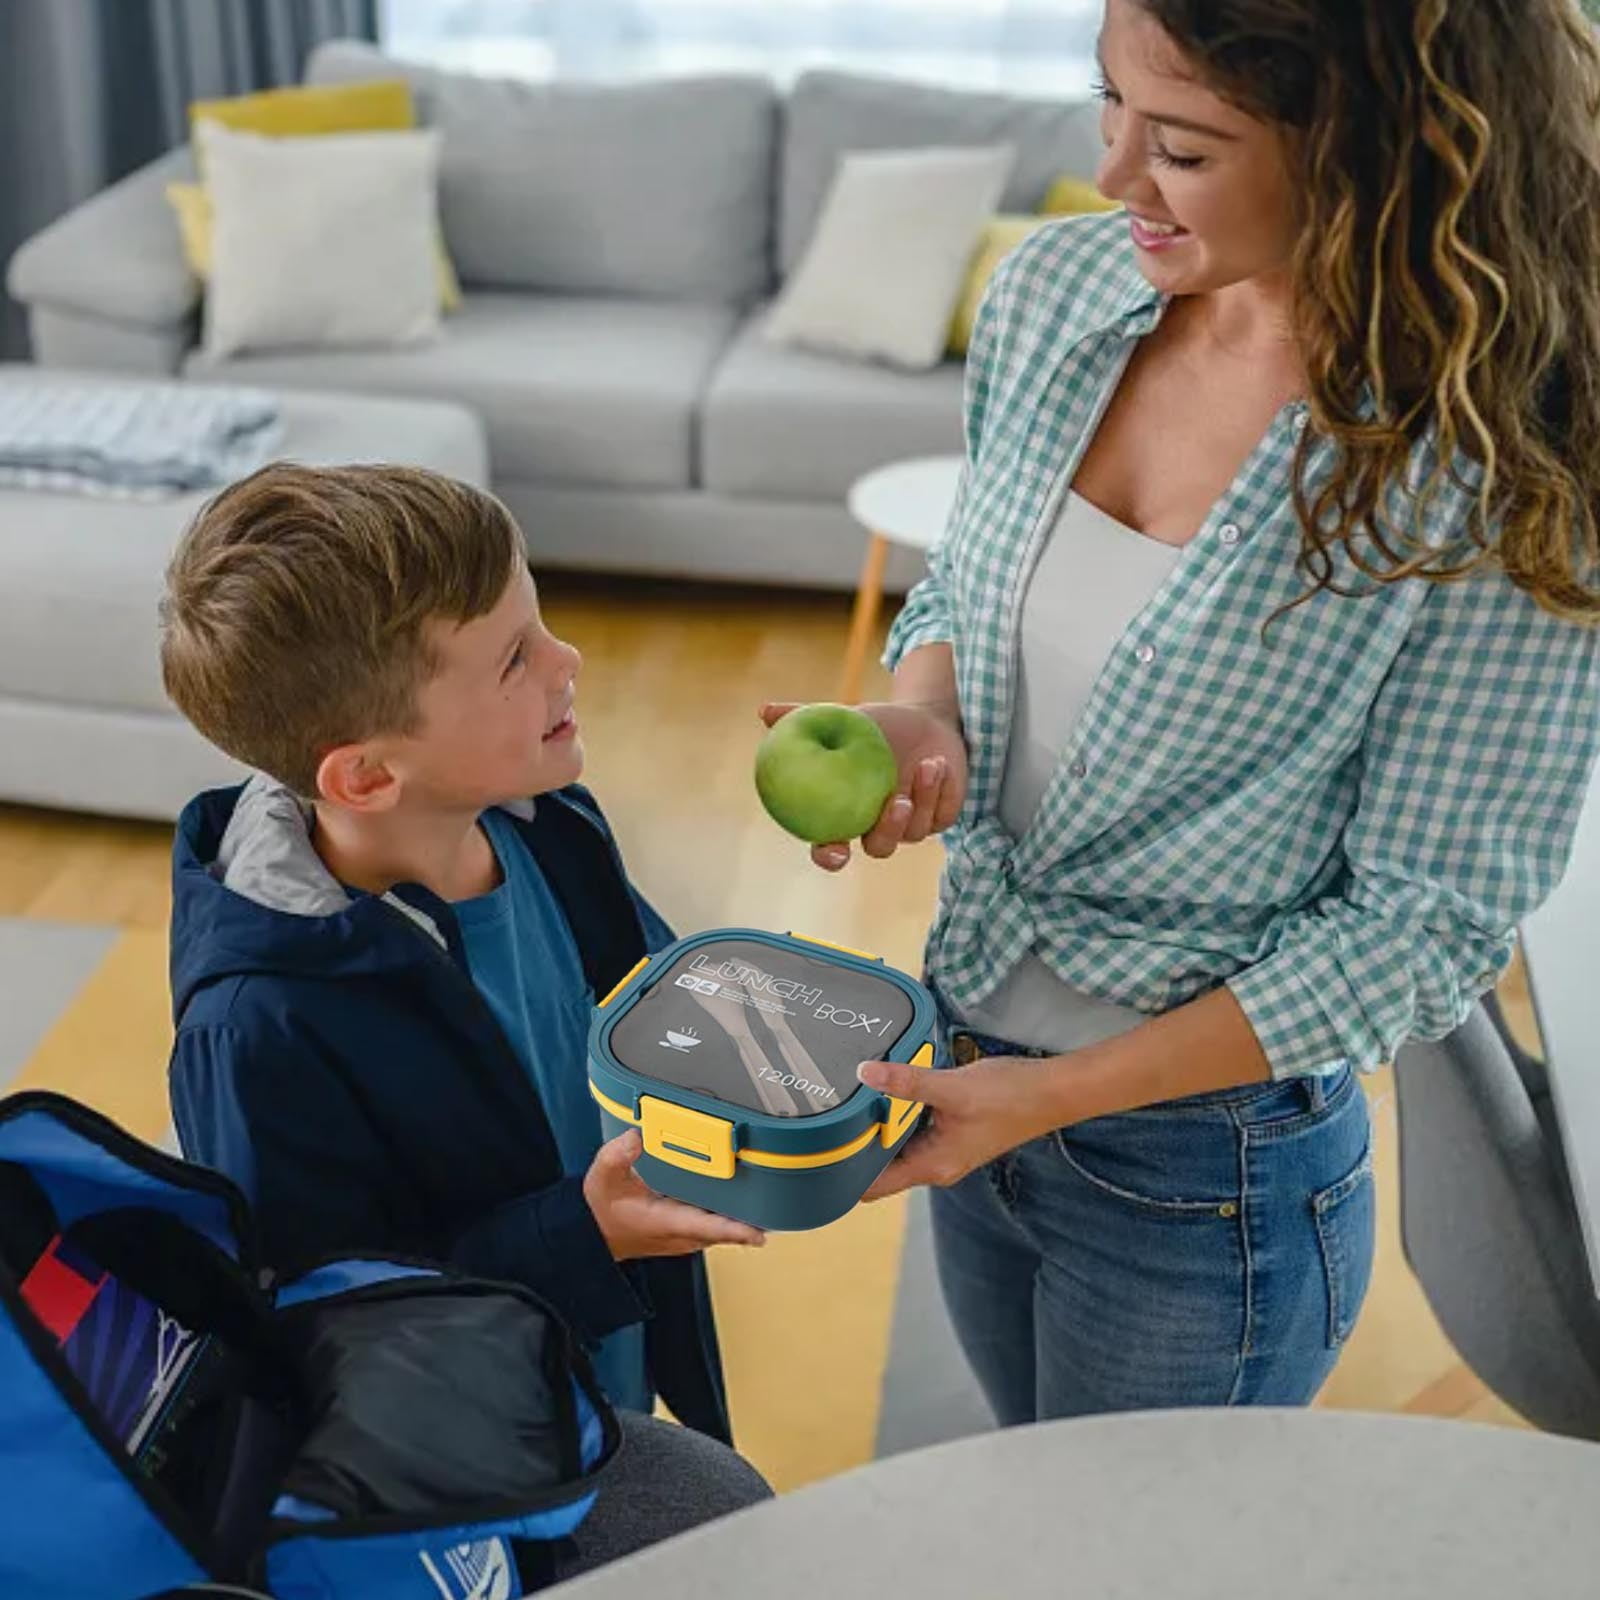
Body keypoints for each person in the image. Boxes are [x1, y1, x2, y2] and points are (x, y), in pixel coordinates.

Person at [763, 0, 1600, 1424]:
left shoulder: (1506, 475)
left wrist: (1067, 1092)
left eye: (1187, 148)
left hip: (1203, 1181)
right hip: (965, 1059)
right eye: (1109, 107)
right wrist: (927, 713)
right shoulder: (1058, 294)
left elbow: (1427, 922)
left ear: (1370, 153)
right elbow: (968, 584)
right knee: (1027, 1519)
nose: (1111, 178)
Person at [160, 463, 765, 1457]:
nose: (567, 658)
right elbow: (326, 1326)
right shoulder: (256, 1027)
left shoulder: (545, 824)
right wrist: (582, 1233)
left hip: (611, 1362)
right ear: (364, 773)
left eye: (541, 623)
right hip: (470, 1458)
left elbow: (652, 995)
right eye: (513, 660)